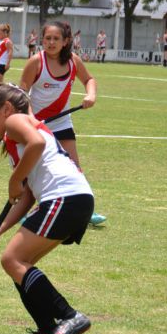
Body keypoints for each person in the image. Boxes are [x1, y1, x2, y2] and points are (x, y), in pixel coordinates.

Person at [0, 84, 94, 334]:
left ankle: (68, 317)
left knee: (12, 260)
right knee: (20, 264)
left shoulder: (16, 120)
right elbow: (26, 196)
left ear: (5, 109)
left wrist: (15, 178)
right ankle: (48, 331)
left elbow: (37, 144)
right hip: (74, 198)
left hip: (64, 196)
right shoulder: (16, 141)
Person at [20, 20, 107, 227]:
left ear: (66, 41)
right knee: (37, 170)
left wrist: (91, 95)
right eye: (47, 38)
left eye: (56, 39)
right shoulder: (35, 61)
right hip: (37, 124)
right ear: (42, 40)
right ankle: (31, 211)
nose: (51, 43)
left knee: (74, 167)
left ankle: (86, 212)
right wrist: (31, 119)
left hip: (61, 124)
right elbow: (21, 93)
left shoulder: (73, 62)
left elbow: (89, 80)